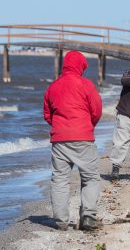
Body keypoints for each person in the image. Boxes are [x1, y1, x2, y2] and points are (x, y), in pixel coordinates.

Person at [43, 51, 103, 231]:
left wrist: (60, 127)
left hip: (60, 140)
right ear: (80, 67)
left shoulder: (52, 87)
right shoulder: (86, 85)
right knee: (90, 177)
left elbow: (48, 114)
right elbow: (96, 110)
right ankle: (89, 217)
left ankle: (61, 221)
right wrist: (88, 125)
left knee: (60, 179)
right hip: (83, 137)